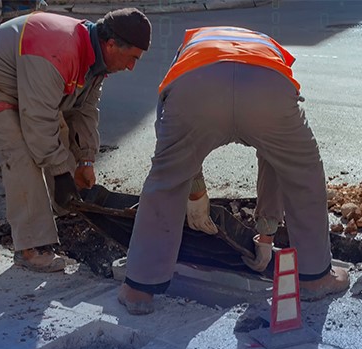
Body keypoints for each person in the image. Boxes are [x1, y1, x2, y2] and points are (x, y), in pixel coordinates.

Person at [118, 26, 350, 315]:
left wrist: (195, 192)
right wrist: (266, 233)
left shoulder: (190, 46)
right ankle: (316, 279)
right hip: (266, 93)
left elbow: (169, 140)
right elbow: (275, 163)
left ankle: (138, 289)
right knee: (303, 173)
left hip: (196, 89)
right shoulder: (269, 47)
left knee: (165, 180)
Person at [0, 8, 151, 272]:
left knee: (56, 135)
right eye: (132, 58)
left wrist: (85, 161)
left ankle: (62, 205)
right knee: (23, 151)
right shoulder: (59, 50)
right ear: (112, 44)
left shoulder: (96, 58)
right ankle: (31, 247)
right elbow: (38, 122)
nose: (131, 67)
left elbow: (85, 110)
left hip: (25, 87)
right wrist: (60, 174)